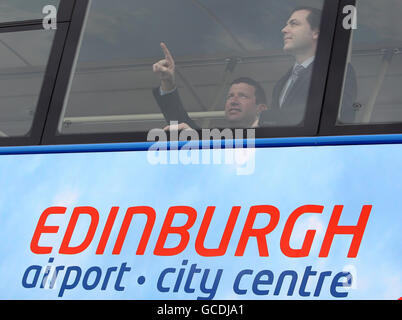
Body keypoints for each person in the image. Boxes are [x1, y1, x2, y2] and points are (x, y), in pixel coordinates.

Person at [259, 6, 357, 126]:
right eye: (286, 25)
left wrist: (263, 116)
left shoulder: (337, 71)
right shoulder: (281, 83)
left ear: (316, 33)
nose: (284, 30)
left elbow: (331, 111)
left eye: (293, 24)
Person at [152, 42, 267, 129]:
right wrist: (167, 81)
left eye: (242, 96)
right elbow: (179, 123)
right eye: (230, 96)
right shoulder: (213, 144)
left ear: (261, 109)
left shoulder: (276, 143)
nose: (233, 101)